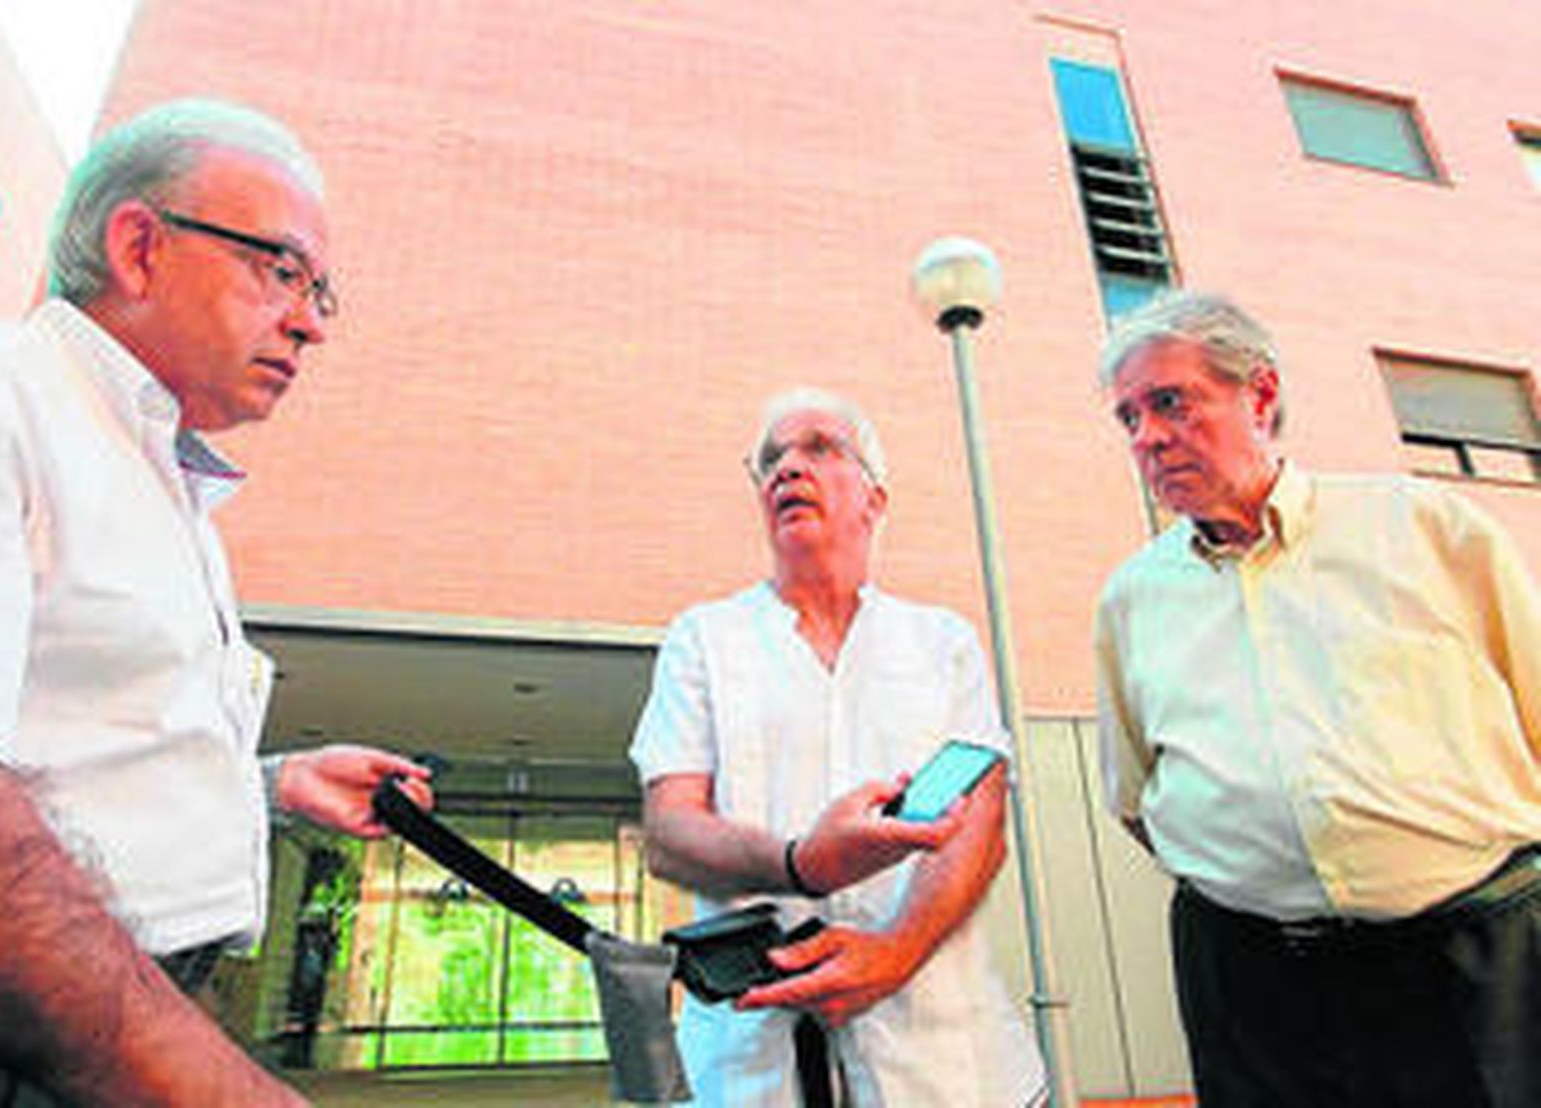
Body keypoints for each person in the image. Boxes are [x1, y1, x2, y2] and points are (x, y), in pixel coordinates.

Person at [0, 99, 433, 1106]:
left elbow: (72, 760)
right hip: (16, 1045)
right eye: (281, 269)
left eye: (320, 293)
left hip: (107, 1018)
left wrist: (268, 782)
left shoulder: (170, 491)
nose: (307, 321)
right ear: (138, 246)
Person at [1093, 289, 1541, 1107]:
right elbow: (1134, 799)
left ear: (1259, 395)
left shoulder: (1427, 528)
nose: (1147, 437)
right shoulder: (1131, 600)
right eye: (1128, 419)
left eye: (1168, 403)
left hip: (1469, 962)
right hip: (1253, 986)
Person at [630, 387, 1047, 1106]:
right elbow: (668, 834)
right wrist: (802, 864)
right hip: (753, 1066)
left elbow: (982, 827)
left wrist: (896, 952)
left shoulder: (943, 643)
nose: (787, 467)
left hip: (948, 1061)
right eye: (771, 459)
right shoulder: (703, 639)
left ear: (875, 500)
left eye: (819, 447)